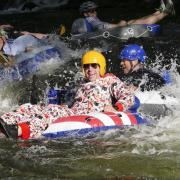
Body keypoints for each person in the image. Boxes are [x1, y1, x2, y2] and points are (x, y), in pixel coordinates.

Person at [0, 50, 135, 139]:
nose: (90, 70)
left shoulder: (110, 80)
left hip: (86, 114)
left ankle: (18, 131)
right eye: (87, 66)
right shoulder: (80, 84)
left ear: (101, 67)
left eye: (94, 66)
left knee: (52, 111)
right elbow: (70, 100)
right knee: (31, 107)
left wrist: (116, 108)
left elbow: (127, 96)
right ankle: (5, 121)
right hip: (71, 110)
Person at [71, 0, 175, 35]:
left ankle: (158, 12)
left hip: (100, 33)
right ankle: (165, 12)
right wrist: (118, 25)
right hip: (105, 32)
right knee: (137, 22)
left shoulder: (86, 20)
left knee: (132, 21)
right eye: (91, 10)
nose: (94, 12)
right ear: (85, 13)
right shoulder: (90, 19)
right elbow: (101, 26)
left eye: (94, 10)